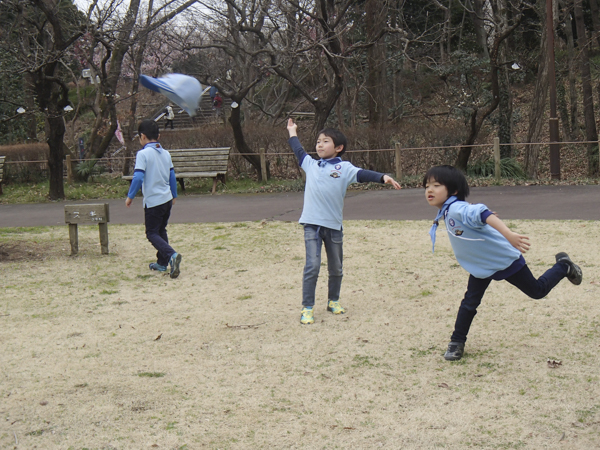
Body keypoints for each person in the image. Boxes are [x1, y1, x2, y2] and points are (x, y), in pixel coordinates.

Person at [424, 165, 582, 361]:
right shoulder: (448, 211)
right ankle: (456, 342)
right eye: (427, 185)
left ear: (454, 190)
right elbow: (479, 215)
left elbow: (481, 211)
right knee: (469, 303)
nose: (429, 190)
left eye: (436, 185)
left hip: (503, 260)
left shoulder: (456, 208)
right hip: (481, 266)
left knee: (537, 291)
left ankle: (564, 266)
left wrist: (509, 235)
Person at [287, 118, 402, 324]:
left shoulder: (345, 168)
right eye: (318, 141)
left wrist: (383, 177)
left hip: (334, 227)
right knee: (312, 266)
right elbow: (298, 150)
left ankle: (333, 301)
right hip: (312, 225)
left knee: (336, 268)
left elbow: (363, 174)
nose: (320, 145)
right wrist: (292, 132)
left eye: (325, 141)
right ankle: (307, 307)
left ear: (338, 147)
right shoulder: (311, 165)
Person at [126, 119, 182, 279]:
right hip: (167, 199)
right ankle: (162, 263)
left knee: (151, 233)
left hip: (153, 201)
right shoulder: (166, 153)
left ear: (142, 136)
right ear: (158, 135)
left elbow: (137, 177)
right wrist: (174, 194)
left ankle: (172, 255)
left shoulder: (143, 154)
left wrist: (130, 196)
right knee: (161, 230)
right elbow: (172, 175)